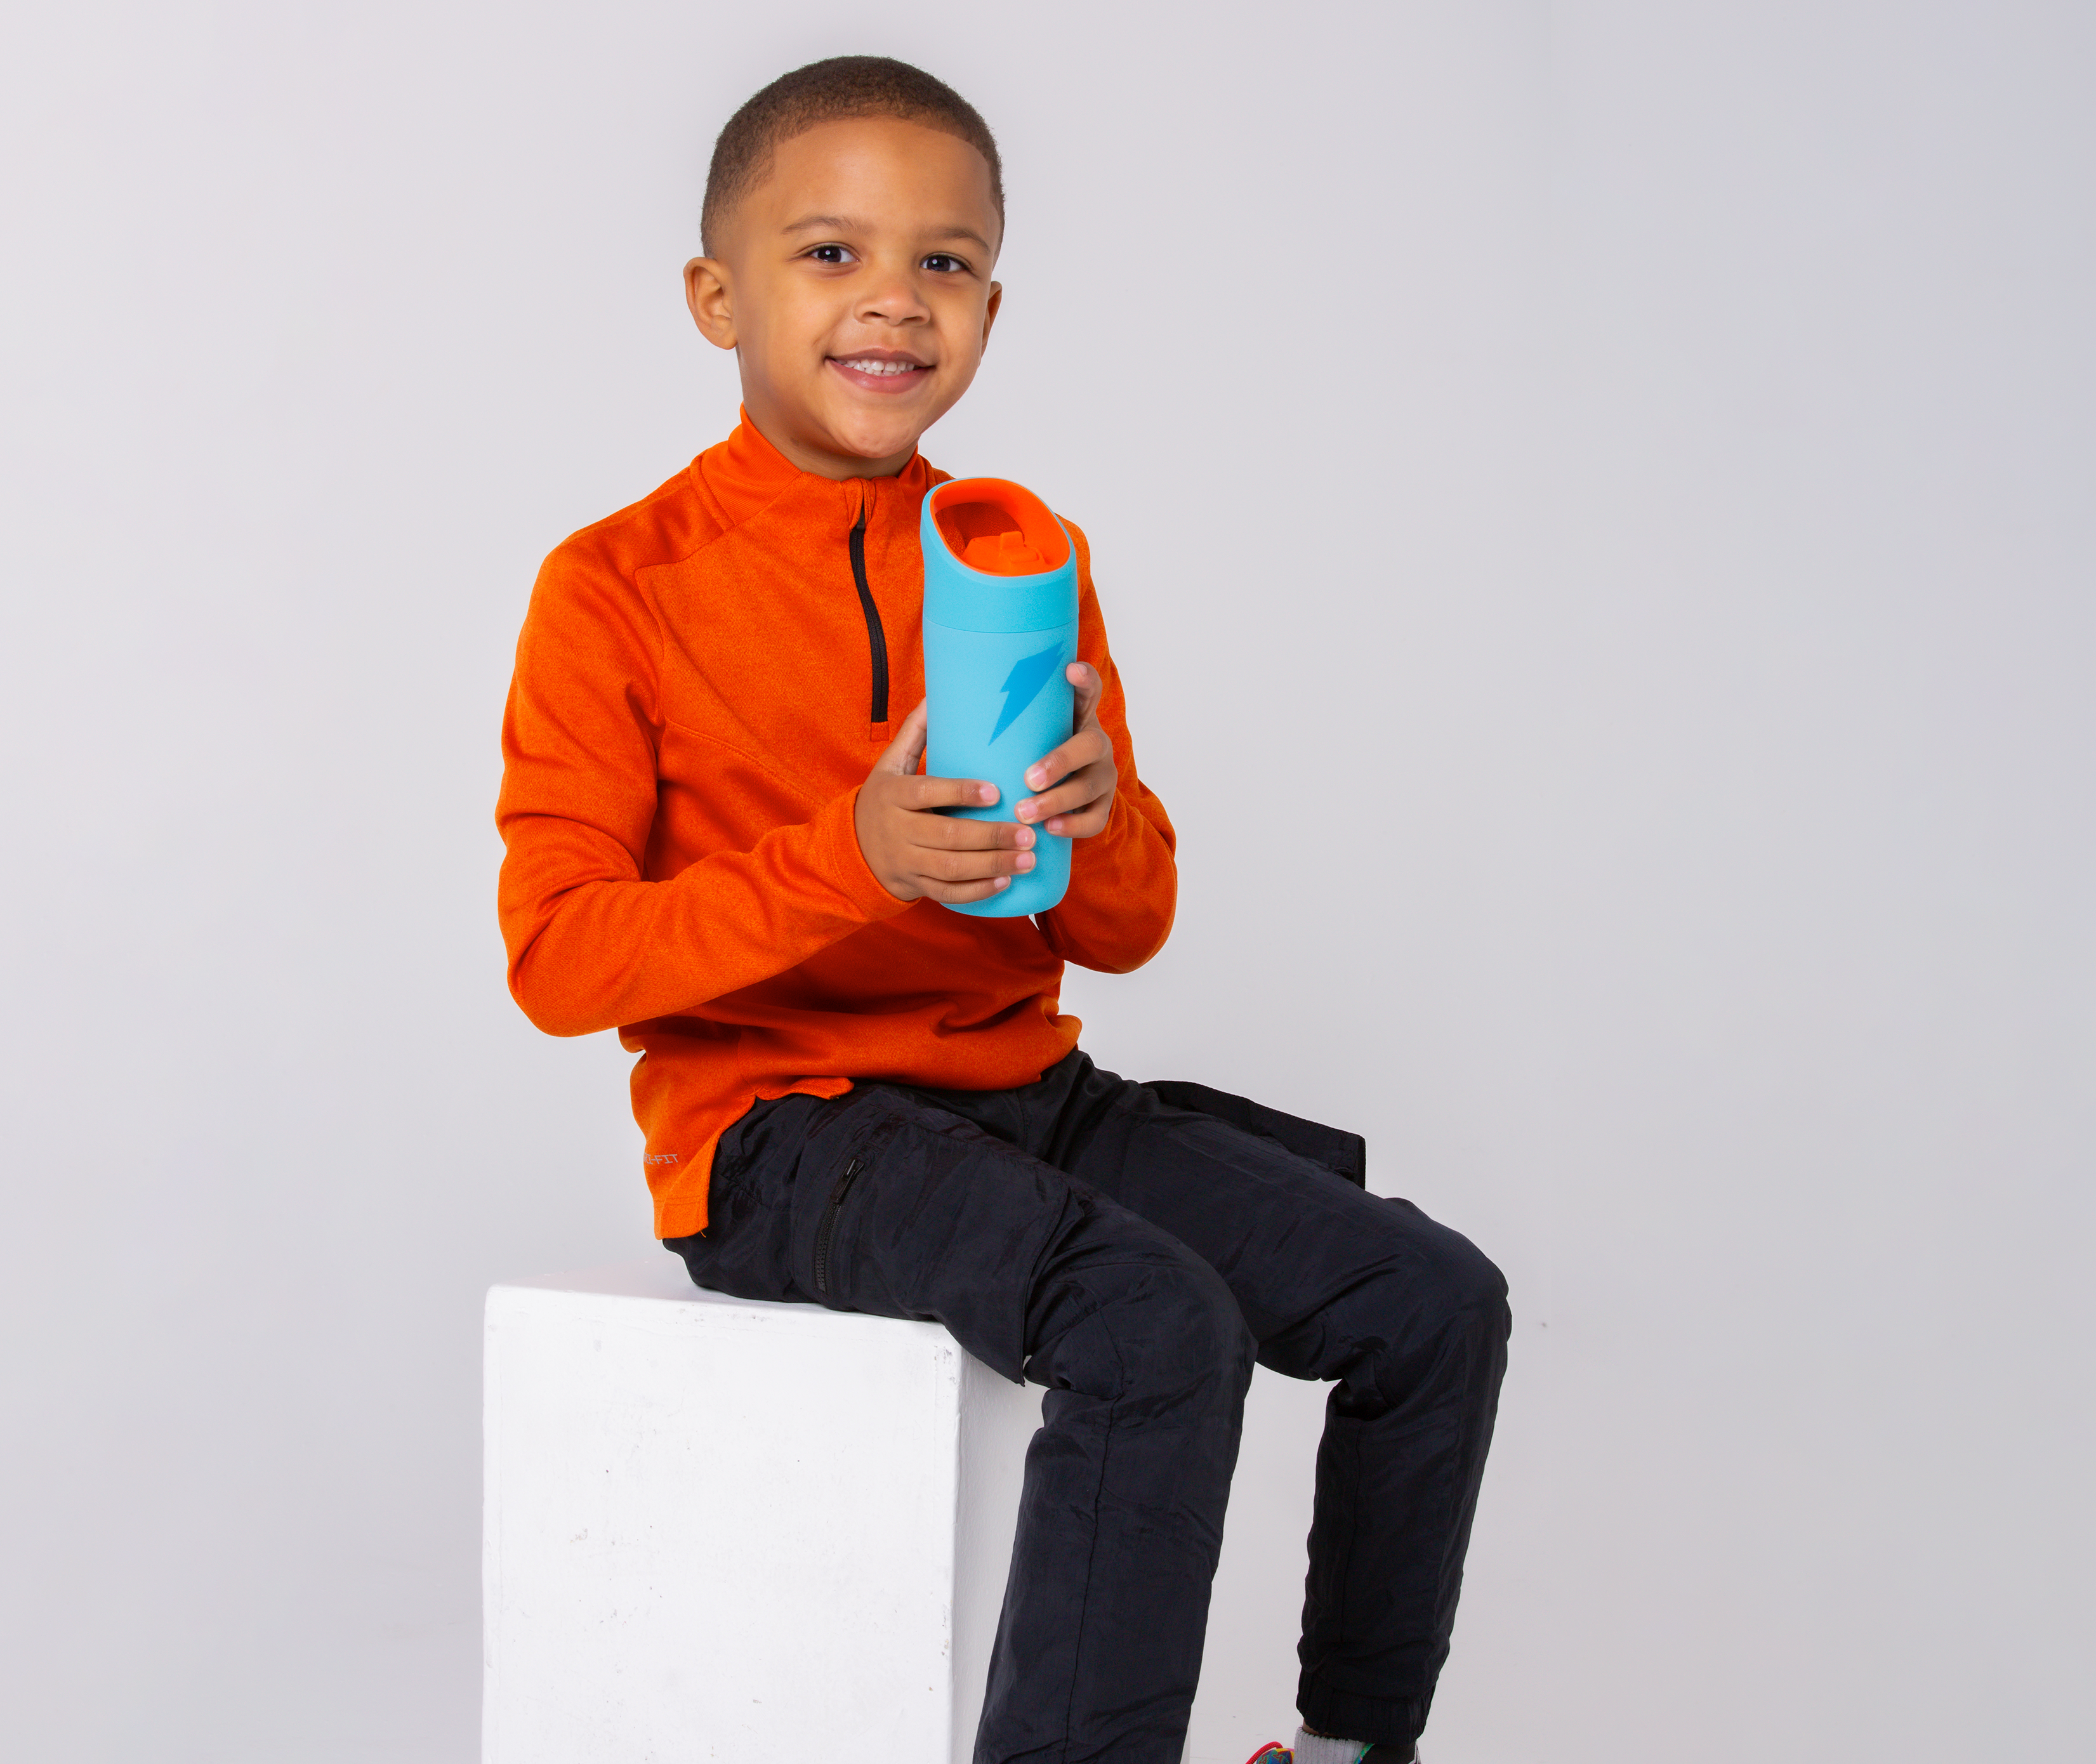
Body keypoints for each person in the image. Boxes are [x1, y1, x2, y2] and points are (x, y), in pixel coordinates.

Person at [496, 55, 1508, 1764]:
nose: (894, 297)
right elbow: (559, 954)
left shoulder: (1017, 550)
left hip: (1017, 1093)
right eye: (830, 253)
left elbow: (1118, 926)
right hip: (775, 1130)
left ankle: (1350, 1750)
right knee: (1149, 1321)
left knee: (1433, 1298)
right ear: (715, 296)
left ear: (988, 301)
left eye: (944, 261)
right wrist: (854, 858)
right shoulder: (616, 586)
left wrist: (1102, 825)